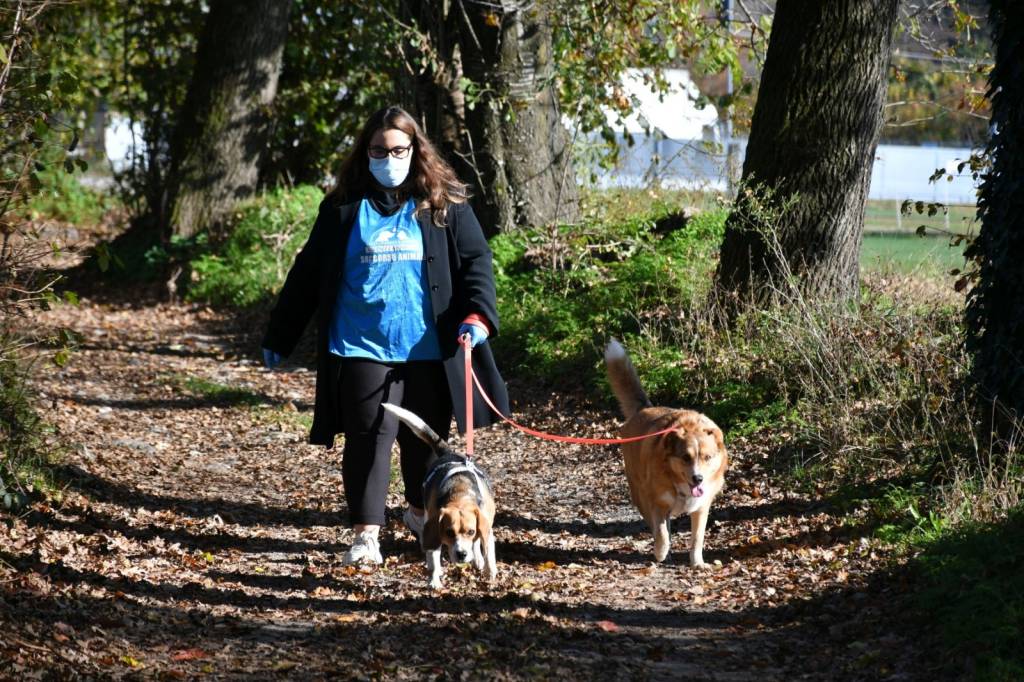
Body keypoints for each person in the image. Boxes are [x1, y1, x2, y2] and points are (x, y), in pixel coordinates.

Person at [261, 106, 509, 566]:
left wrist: (478, 316)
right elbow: (308, 274)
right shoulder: (341, 208)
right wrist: (281, 333)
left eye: (398, 150)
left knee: (422, 442)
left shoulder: (444, 204)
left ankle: (418, 512)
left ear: (415, 151)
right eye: (378, 150)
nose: (388, 158)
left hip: (429, 348)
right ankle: (366, 534)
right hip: (360, 344)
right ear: (365, 152)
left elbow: (477, 263)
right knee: (369, 436)